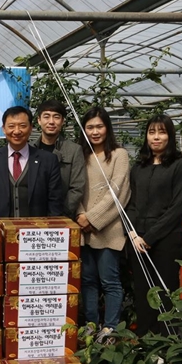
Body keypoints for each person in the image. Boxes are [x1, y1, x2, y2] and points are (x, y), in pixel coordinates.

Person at [126, 114, 182, 336]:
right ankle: (145, 338)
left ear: (170, 136)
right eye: (151, 132)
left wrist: (150, 237)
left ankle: (167, 340)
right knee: (143, 291)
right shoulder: (139, 167)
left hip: (166, 239)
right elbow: (132, 204)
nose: (156, 137)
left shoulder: (179, 166)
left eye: (161, 132)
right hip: (138, 240)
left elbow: (176, 209)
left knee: (165, 289)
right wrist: (133, 234)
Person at [76, 106, 131, 342]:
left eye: (99, 126)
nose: (95, 131)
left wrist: (92, 219)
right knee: (87, 280)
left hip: (108, 230)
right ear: (84, 130)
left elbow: (119, 192)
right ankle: (90, 324)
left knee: (109, 280)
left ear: (107, 127)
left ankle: (109, 328)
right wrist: (80, 215)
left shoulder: (119, 155)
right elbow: (75, 190)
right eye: (90, 127)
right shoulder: (81, 155)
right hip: (83, 229)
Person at [0, 106, 63, 218]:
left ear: (31, 128)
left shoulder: (48, 160)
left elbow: (55, 201)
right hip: (0, 229)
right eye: (11, 126)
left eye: (22, 126)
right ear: (3, 129)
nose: (16, 131)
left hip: (36, 231)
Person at [33, 100, 86, 218]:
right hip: (32, 217)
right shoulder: (30, 149)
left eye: (56, 117)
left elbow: (77, 188)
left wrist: (61, 212)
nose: (51, 121)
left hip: (61, 216)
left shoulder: (74, 150)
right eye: (46, 116)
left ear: (62, 121)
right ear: (39, 120)